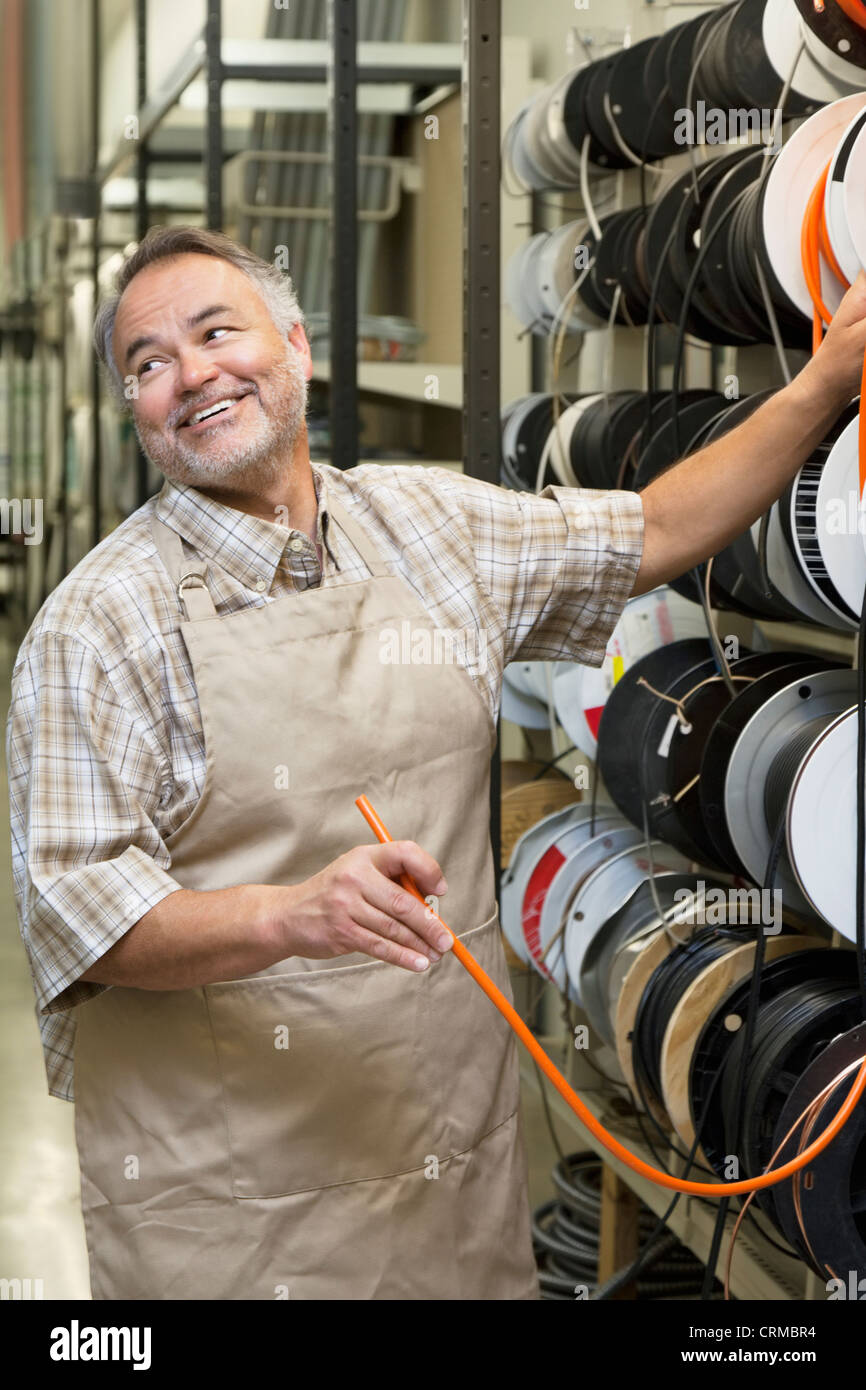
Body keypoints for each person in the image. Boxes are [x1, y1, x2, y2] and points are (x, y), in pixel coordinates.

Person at [7, 225, 866, 1301]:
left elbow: (651, 529)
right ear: (135, 407)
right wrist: (289, 915)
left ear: (296, 346)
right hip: (232, 1211)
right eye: (148, 362)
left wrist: (823, 380)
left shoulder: (427, 525)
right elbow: (79, 913)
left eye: (215, 332)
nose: (190, 375)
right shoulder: (95, 628)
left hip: (445, 1179)